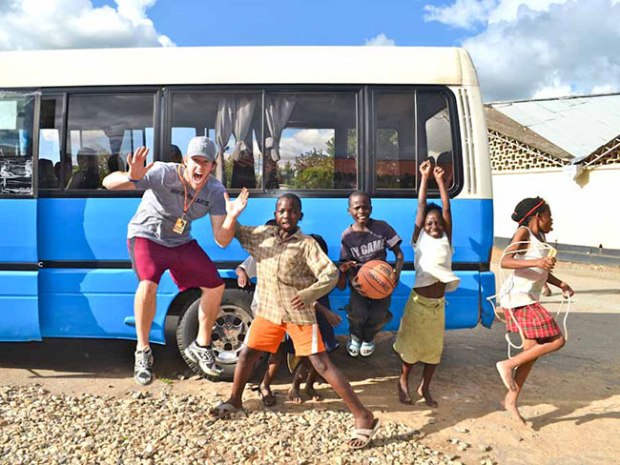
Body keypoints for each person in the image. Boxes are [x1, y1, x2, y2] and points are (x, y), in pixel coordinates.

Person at [211, 194, 381, 450]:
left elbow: (330, 273)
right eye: (281, 211)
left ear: (300, 216)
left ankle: (364, 416)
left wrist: (308, 294)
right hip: (268, 311)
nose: (286, 215)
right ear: (275, 213)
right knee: (247, 354)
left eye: (292, 211)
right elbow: (229, 234)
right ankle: (235, 400)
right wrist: (232, 214)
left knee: (322, 364)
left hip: (298, 314)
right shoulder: (263, 235)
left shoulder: (306, 244)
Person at [102, 136, 249, 385]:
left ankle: (201, 346)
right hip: (146, 235)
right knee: (148, 282)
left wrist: (231, 217)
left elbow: (221, 240)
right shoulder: (163, 172)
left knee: (215, 285)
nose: (199, 167)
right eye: (195, 161)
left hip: (180, 242)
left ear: (213, 166)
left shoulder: (214, 191)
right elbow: (108, 183)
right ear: (185, 160)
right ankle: (143, 350)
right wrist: (131, 176)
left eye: (206, 162)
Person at [495, 197, 574, 425]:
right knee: (558, 340)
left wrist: (561, 284)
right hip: (518, 299)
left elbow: (541, 270)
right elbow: (505, 261)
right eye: (550, 216)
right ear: (538, 216)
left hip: (527, 298)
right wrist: (538, 262)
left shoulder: (541, 239)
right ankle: (507, 365)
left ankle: (510, 400)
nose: (552, 221)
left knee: (531, 354)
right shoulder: (523, 232)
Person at [393, 160, 460, 408]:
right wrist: (424, 178)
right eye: (429, 223)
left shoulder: (446, 239)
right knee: (411, 350)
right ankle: (403, 381)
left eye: (437, 223)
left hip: (437, 305)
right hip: (419, 303)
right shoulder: (418, 240)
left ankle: (425, 387)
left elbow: (446, 208)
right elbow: (421, 206)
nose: (433, 225)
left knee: (434, 352)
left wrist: (441, 182)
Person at [338, 191, 404, 358]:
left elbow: (399, 254)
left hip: (382, 280)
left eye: (365, 207)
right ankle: (355, 336)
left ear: (371, 208)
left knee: (379, 314)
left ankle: (368, 338)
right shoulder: (347, 235)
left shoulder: (382, 227)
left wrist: (397, 273)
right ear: (349, 211)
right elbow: (346, 263)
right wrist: (352, 280)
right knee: (358, 313)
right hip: (360, 281)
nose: (361, 211)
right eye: (357, 207)